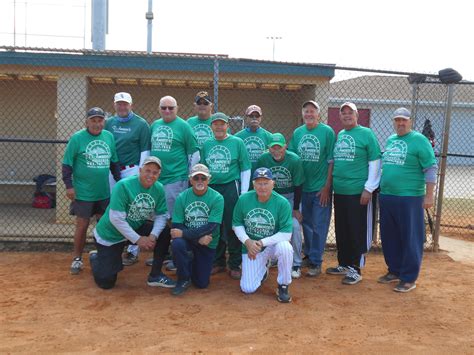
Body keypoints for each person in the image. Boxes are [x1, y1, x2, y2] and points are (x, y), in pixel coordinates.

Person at [89, 156, 176, 289]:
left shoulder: (158, 188)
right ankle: (96, 259)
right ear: (140, 170)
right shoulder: (123, 186)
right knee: (106, 283)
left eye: (155, 172)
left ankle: (155, 275)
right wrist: (138, 239)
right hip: (111, 234)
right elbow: (116, 219)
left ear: (159, 175)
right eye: (147, 170)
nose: (150, 175)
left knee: (164, 233)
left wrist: (153, 236)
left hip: (134, 226)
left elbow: (162, 215)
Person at [378, 108, 437, 293]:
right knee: (390, 236)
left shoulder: (419, 140)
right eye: (397, 120)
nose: (400, 123)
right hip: (388, 195)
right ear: (393, 122)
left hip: (410, 197)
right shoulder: (391, 139)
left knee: (411, 237)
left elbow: (430, 168)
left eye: (403, 120)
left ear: (410, 122)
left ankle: (409, 278)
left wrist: (429, 195)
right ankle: (394, 270)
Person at [326, 102, 381, 285]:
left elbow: (375, 161)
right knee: (342, 228)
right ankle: (344, 263)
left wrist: (369, 188)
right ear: (340, 116)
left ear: (357, 115)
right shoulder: (341, 135)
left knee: (357, 229)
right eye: (344, 113)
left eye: (351, 113)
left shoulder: (366, 134)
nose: (347, 115)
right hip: (340, 191)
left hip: (358, 192)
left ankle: (356, 268)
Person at [62, 107, 121, 275]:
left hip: (103, 192)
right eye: (93, 120)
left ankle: (103, 256)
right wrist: (69, 186)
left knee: (103, 226)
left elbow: (114, 163)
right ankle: (77, 259)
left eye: (100, 120)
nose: (97, 124)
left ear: (104, 122)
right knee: (82, 225)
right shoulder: (77, 138)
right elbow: (67, 164)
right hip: (83, 192)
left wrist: (119, 183)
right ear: (87, 122)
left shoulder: (108, 137)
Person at [148, 95, 200, 269]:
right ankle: (162, 254)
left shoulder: (184, 126)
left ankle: (177, 255)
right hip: (157, 180)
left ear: (177, 108)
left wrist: (189, 177)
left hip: (175, 179)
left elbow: (194, 153)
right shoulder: (155, 125)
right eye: (164, 108)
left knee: (174, 218)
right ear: (159, 109)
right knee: (159, 217)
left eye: (171, 107)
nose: (167, 111)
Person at [201, 112, 251, 279]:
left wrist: (243, 193)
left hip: (231, 186)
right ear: (211, 126)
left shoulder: (237, 142)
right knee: (215, 224)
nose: (219, 127)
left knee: (232, 224)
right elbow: (204, 169)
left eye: (222, 124)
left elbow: (245, 168)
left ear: (227, 126)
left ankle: (234, 263)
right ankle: (218, 261)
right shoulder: (207, 144)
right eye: (216, 124)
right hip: (213, 188)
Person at [288, 100, 335, 277]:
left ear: (318, 114)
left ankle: (316, 261)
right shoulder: (298, 132)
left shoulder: (327, 132)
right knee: (305, 223)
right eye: (306, 111)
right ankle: (310, 254)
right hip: (302, 187)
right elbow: (292, 156)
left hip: (319, 188)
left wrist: (326, 186)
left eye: (312, 111)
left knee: (319, 225)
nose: (309, 114)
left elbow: (331, 161)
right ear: (303, 114)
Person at [232, 168, 294, 303]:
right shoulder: (244, 199)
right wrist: (247, 242)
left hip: (271, 244)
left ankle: (283, 285)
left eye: (266, 183)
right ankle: (263, 270)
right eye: (259, 183)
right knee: (248, 288)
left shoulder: (282, 202)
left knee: (285, 248)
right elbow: (236, 224)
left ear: (273, 184)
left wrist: (261, 242)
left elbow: (286, 233)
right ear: (253, 185)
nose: (262, 187)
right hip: (252, 247)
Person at [104, 92, 151, 266]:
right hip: (112, 170)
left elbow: (145, 150)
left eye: (125, 104)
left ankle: (132, 249)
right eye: (119, 104)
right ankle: (114, 245)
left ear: (131, 105)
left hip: (131, 170)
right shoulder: (109, 123)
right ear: (114, 105)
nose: (122, 107)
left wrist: (141, 173)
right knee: (114, 207)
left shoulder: (141, 124)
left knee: (133, 210)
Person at [256, 133, 305, 279]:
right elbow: (259, 182)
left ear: (285, 146)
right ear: (269, 148)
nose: (276, 150)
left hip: (290, 197)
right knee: (267, 224)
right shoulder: (263, 159)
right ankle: (269, 258)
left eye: (279, 147)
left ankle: (296, 263)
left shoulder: (294, 160)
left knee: (295, 226)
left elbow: (298, 185)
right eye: (273, 148)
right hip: (270, 197)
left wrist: (296, 208)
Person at [170, 164, 224, 296]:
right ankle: (183, 278)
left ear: (209, 180)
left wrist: (185, 234)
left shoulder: (217, 198)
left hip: (207, 241)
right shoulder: (182, 197)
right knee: (177, 243)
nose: (200, 181)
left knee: (201, 283)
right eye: (196, 178)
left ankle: (190, 261)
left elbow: (212, 226)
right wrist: (196, 238)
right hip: (195, 239)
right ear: (191, 180)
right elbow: (177, 224)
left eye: (203, 178)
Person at [234, 105, 273, 171]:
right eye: (251, 116)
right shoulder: (237, 137)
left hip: (263, 175)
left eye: (257, 116)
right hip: (243, 173)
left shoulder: (269, 136)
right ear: (246, 117)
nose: (254, 118)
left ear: (261, 118)